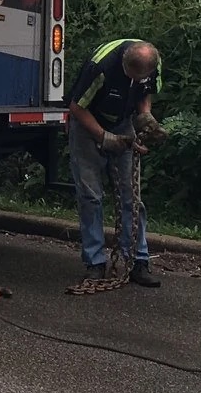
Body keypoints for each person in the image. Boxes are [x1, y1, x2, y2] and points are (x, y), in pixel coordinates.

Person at [68, 38, 162, 287]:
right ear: (124, 65)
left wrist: (145, 116)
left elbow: (144, 93)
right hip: (88, 125)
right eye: (131, 75)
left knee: (131, 197)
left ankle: (137, 261)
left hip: (122, 121)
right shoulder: (100, 67)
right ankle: (95, 262)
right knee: (91, 196)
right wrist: (103, 137)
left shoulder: (152, 64)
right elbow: (76, 107)